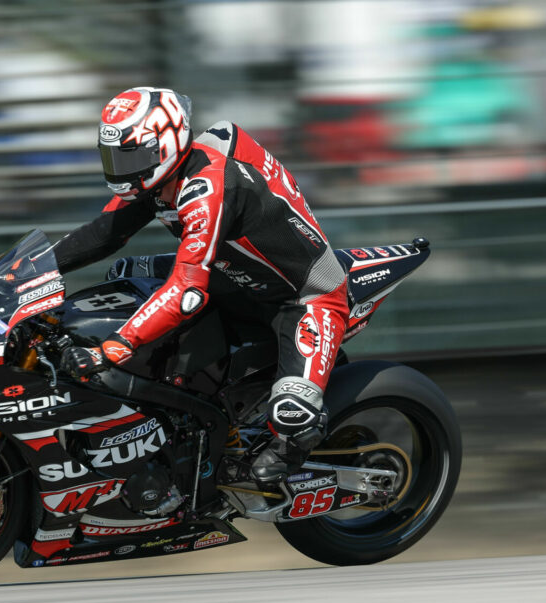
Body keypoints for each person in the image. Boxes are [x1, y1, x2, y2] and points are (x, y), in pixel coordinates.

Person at [54, 86, 349, 483]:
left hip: (303, 298)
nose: (121, 168)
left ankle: (295, 445)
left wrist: (113, 349)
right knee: (125, 273)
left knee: (291, 417)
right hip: (233, 277)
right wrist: (24, 271)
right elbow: (101, 235)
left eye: (132, 155)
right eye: (113, 157)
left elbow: (186, 292)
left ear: (166, 145)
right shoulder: (158, 178)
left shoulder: (206, 188)